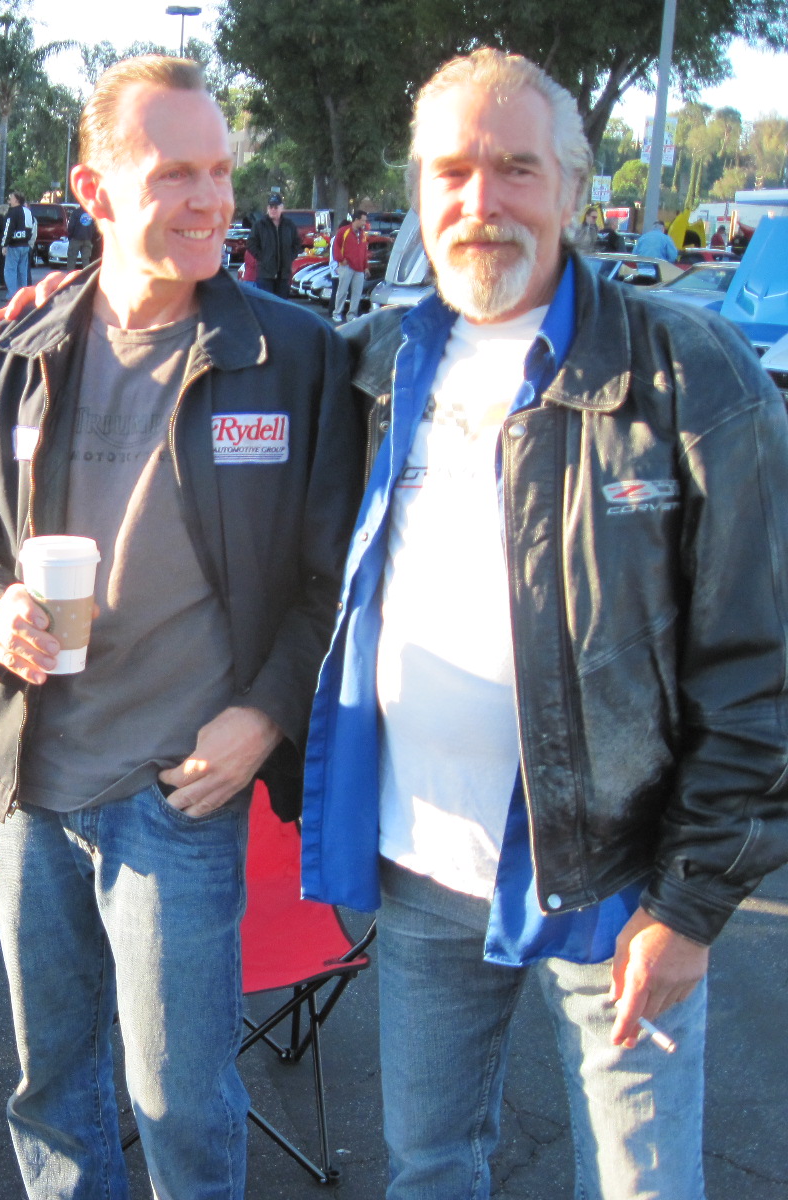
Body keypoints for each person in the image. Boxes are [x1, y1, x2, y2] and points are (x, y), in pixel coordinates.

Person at [302, 47, 788, 1199]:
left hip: (623, 880)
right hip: (418, 864)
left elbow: (758, 674)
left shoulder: (692, 375)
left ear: (574, 188)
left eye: (516, 169)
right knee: (427, 1167)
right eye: (453, 170)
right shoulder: (370, 365)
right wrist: (76, 301)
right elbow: (214, 367)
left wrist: (692, 904)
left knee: (641, 1185)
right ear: (417, 191)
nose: (482, 201)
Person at [0, 55, 359, 1200]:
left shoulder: (292, 356)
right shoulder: (12, 352)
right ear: (96, 189)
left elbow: (333, 580)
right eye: (176, 173)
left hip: (177, 795)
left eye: (220, 169)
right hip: (32, 783)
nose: (214, 199)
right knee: (52, 1087)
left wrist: (264, 715)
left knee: (183, 1103)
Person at [246, 194, 300, 296]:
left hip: (283, 275)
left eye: (276, 207)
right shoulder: (260, 225)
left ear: (281, 208)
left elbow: (297, 243)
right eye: (271, 207)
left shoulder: (289, 225)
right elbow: (250, 243)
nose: (273, 210)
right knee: (266, 306)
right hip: (265, 275)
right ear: (267, 208)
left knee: (281, 306)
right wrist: (262, 257)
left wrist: (290, 257)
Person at [330, 210, 371, 322]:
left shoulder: (362, 234)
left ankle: (351, 315)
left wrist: (365, 266)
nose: (364, 223)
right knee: (342, 291)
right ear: (356, 220)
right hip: (347, 266)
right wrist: (340, 259)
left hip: (359, 268)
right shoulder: (344, 231)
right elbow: (336, 246)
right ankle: (337, 313)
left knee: (357, 293)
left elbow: (364, 251)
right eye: (363, 220)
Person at [3, 191, 35, 296]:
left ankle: (12, 295)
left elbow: (8, 229)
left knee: (10, 270)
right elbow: (31, 227)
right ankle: (23, 295)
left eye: (11, 197)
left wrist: (5, 244)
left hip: (14, 244)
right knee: (23, 271)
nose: (9, 200)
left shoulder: (12, 212)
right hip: (25, 244)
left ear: (16, 199)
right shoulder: (27, 211)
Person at [65, 204, 97, 269]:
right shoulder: (91, 213)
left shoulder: (76, 212)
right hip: (88, 239)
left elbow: (71, 226)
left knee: (72, 259)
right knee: (86, 259)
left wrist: (70, 236)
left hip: (76, 238)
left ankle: (71, 276)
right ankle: (87, 276)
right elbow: (95, 227)